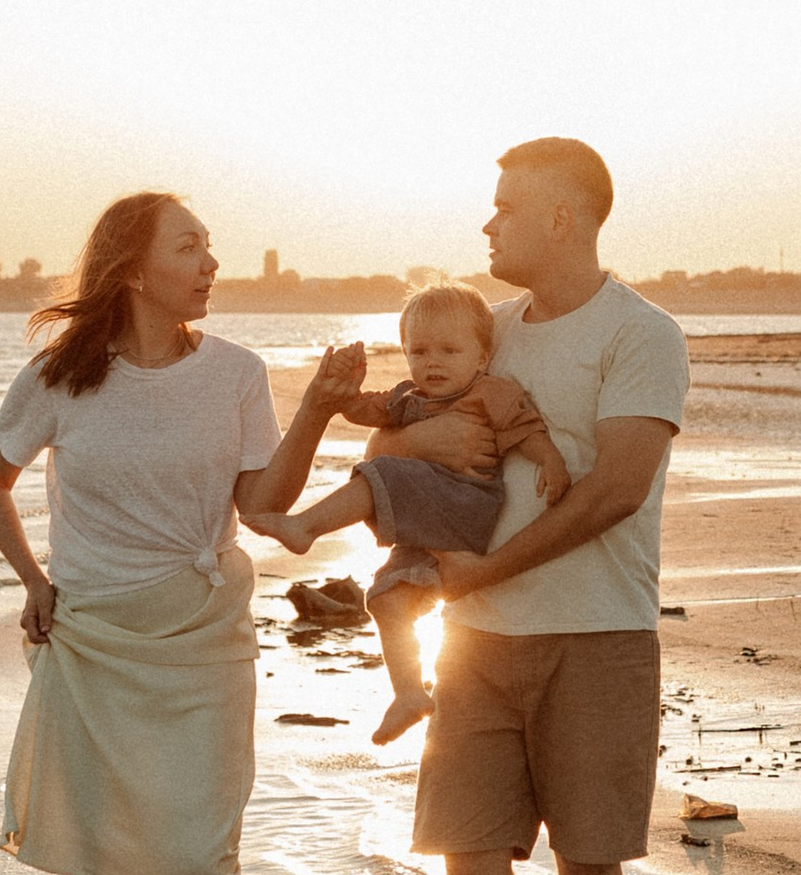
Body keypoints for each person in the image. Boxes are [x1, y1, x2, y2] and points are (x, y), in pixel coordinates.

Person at [0, 192, 360, 875]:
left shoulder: (236, 373)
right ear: (136, 269)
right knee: (93, 861)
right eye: (191, 248)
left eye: (210, 247)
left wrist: (320, 413)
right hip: (94, 641)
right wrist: (33, 580)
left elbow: (262, 509)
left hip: (201, 637)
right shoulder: (61, 376)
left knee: (200, 853)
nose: (211, 263)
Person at [414, 137, 690, 875]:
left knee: (588, 861)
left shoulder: (642, 332)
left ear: (563, 217)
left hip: (598, 633)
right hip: (475, 642)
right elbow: (425, 437)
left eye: (505, 207)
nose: (487, 223)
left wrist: (483, 567)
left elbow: (616, 488)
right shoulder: (485, 332)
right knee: (468, 853)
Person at [242, 284, 569, 746]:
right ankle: (409, 692)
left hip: (464, 504)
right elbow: (363, 409)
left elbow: (524, 427)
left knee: (386, 472)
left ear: (482, 356)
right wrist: (343, 389)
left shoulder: (489, 391)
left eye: (449, 350)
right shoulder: (407, 398)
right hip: (425, 521)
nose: (432, 362)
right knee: (386, 597)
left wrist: (550, 459)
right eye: (419, 351)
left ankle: (305, 527)